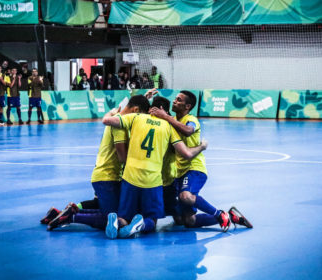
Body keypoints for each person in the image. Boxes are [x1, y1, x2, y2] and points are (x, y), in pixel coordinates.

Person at [102, 96, 207, 239]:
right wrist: (202, 146)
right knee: (152, 220)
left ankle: (117, 222)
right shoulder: (169, 127)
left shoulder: (136, 118)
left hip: (130, 176)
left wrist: (111, 113)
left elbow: (107, 121)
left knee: (124, 216)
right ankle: (141, 225)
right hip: (152, 180)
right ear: (164, 111)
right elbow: (187, 153)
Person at [149, 91, 253, 231]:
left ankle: (218, 213)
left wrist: (166, 117)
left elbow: (189, 130)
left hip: (194, 168)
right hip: (179, 173)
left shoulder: (191, 119)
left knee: (185, 196)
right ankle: (230, 215)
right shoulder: (173, 120)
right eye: (175, 99)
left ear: (188, 106)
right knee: (187, 221)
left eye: (179, 100)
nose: (174, 101)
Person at [46, 95, 151, 231]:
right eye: (139, 116)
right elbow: (122, 158)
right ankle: (72, 217)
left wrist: (145, 96)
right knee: (111, 219)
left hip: (105, 174)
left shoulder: (117, 117)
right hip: (107, 177)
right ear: (135, 110)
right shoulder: (119, 124)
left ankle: (60, 213)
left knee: (108, 207)